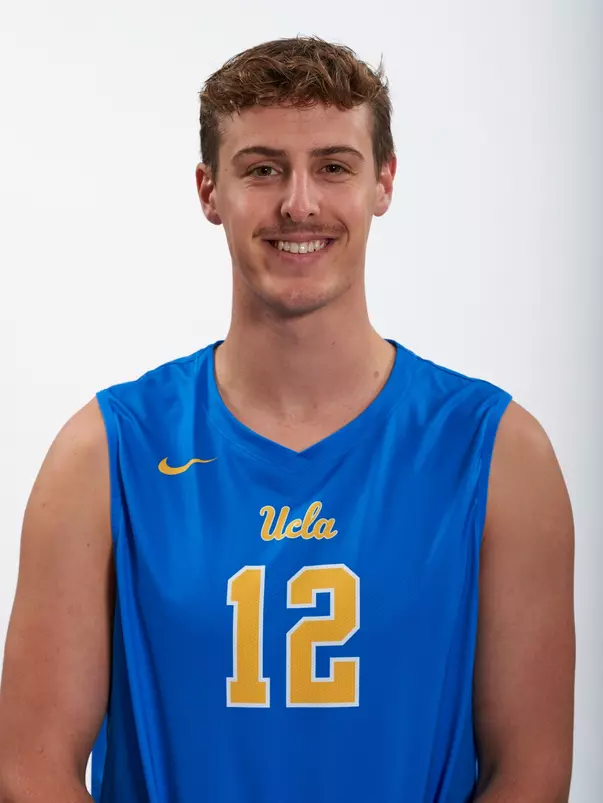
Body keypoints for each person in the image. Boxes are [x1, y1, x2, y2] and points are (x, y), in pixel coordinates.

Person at [0, 36, 575, 803]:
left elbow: (530, 775)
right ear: (209, 190)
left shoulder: (496, 452)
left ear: (383, 181)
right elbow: (30, 769)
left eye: (332, 166)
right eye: (262, 168)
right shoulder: (106, 452)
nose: (299, 203)